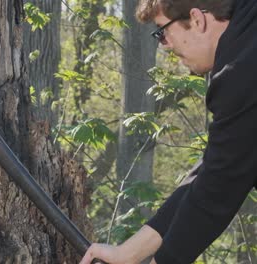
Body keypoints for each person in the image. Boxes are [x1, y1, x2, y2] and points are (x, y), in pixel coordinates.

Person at [80, 0, 257, 263]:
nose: (164, 45)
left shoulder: (242, 73)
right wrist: (127, 253)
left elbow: (216, 193)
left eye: (163, 31)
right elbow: (214, 171)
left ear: (197, 20)